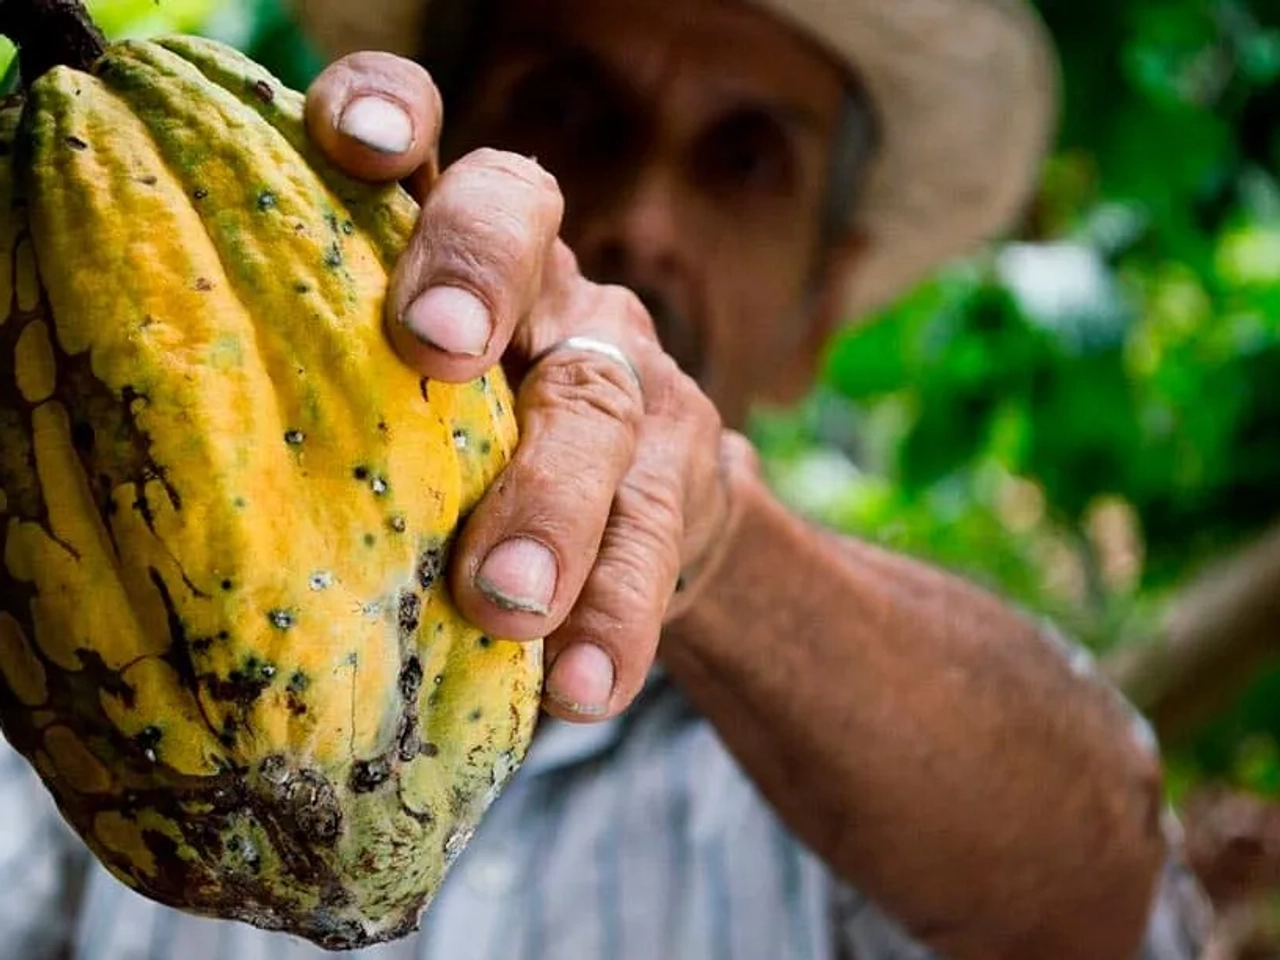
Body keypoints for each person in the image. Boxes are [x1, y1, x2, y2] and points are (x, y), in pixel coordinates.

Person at [0, 0, 1215, 957]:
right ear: (416, 158)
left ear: (819, 310)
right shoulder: (89, 585)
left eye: (744, 161)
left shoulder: (862, 780)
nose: (642, 220)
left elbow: (1098, 900)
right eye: (564, 107)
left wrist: (718, 541)